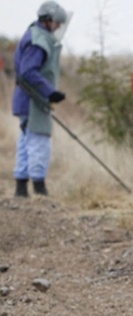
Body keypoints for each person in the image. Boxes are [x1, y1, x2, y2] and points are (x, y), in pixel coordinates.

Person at [12, 1, 70, 197]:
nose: (59, 27)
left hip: (29, 99)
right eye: (57, 23)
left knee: (26, 141)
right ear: (48, 20)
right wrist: (49, 92)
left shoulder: (35, 34)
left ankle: (21, 189)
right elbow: (29, 72)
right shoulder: (39, 40)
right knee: (38, 142)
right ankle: (39, 190)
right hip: (32, 101)